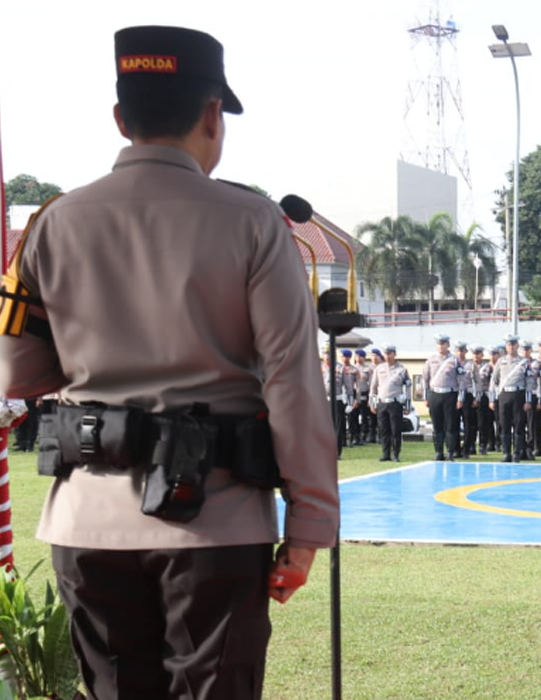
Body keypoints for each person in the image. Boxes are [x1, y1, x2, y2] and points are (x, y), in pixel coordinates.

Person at [0, 26, 339, 699]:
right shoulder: (254, 223)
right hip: (216, 520)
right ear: (213, 116)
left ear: (122, 119)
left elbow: (16, 371)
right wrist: (307, 526)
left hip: (87, 520)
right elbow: (292, 383)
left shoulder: (51, 223)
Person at [491, 334, 533, 462]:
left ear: (517, 346)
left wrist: (528, 400)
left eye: (513, 344)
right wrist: (492, 399)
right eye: (508, 345)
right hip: (505, 394)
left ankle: (517, 453)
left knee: (519, 424)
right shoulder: (501, 361)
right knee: (504, 424)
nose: (511, 347)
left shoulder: (524, 362)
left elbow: (529, 382)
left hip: (518, 394)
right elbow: (494, 380)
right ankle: (506, 453)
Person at [371, 345, 411, 461]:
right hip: (382, 403)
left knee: (395, 430)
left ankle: (396, 454)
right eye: (385, 354)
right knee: (383, 430)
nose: (387, 356)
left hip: (395, 403)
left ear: (395, 354)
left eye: (390, 353)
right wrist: (373, 403)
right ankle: (385, 454)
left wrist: (407, 405)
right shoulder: (379, 369)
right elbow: (373, 387)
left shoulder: (402, 369)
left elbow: (408, 388)